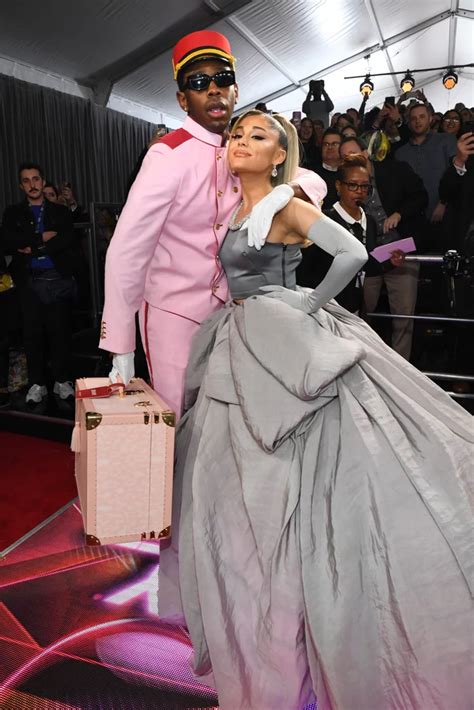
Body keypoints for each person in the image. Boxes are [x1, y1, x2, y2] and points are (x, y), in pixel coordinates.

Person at [159, 109, 473, 710]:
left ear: (281, 154)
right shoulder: (238, 210)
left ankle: (306, 605)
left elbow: (352, 253)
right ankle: (258, 606)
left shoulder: (285, 204)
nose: (239, 142)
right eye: (235, 134)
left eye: (256, 136)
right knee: (232, 472)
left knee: (311, 468)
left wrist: (304, 308)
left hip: (283, 339)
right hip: (240, 344)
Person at [100, 30, 325, 417]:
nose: (214, 90)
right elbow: (126, 252)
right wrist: (121, 346)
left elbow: (312, 178)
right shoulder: (168, 154)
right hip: (172, 314)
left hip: (230, 313)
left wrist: (287, 193)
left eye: (222, 79)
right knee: (178, 419)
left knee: (222, 421)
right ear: (182, 98)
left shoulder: (241, 145)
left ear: (236, 90)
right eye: (199, 83)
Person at [1, 163, 76, 404]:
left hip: (57, 280)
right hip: (28, 283)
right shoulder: (12, 213)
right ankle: (37, 383)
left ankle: (62, 380)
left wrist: (31, 246)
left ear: (43, 182)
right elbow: (8, 241)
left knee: (60, 332)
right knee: (32, 335)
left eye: (36, 179)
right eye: (26, 180)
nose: (32, 185)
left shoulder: (60, 212)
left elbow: (66, 239)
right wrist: (41, 238)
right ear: (21, 185)